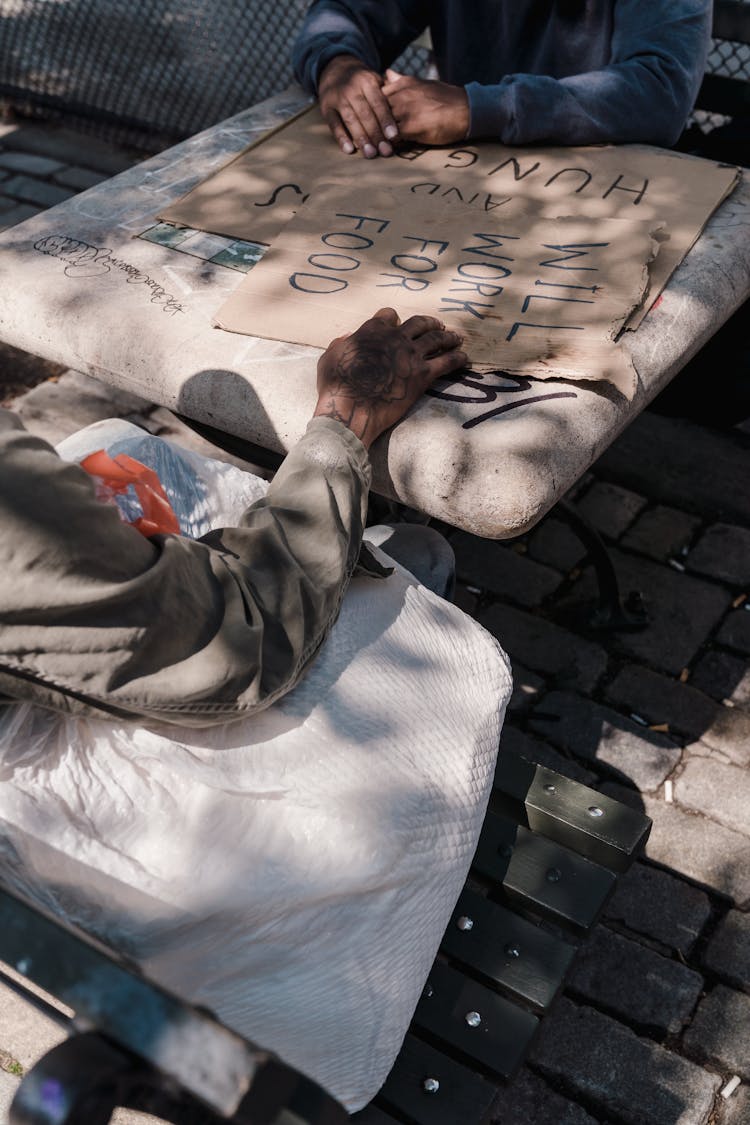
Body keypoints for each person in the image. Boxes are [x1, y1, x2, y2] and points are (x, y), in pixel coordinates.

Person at [0, 308, 513, 1112]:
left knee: (123, 449)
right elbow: (244, 641)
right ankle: (297, 1001)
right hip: (48, 852)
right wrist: (343, 422)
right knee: (447, 683)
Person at [292, 0, 713, 157]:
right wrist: (337, 65)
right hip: (454, 185)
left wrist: (479, 108)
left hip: (605, 188)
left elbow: (660, 90)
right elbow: (343, 13)